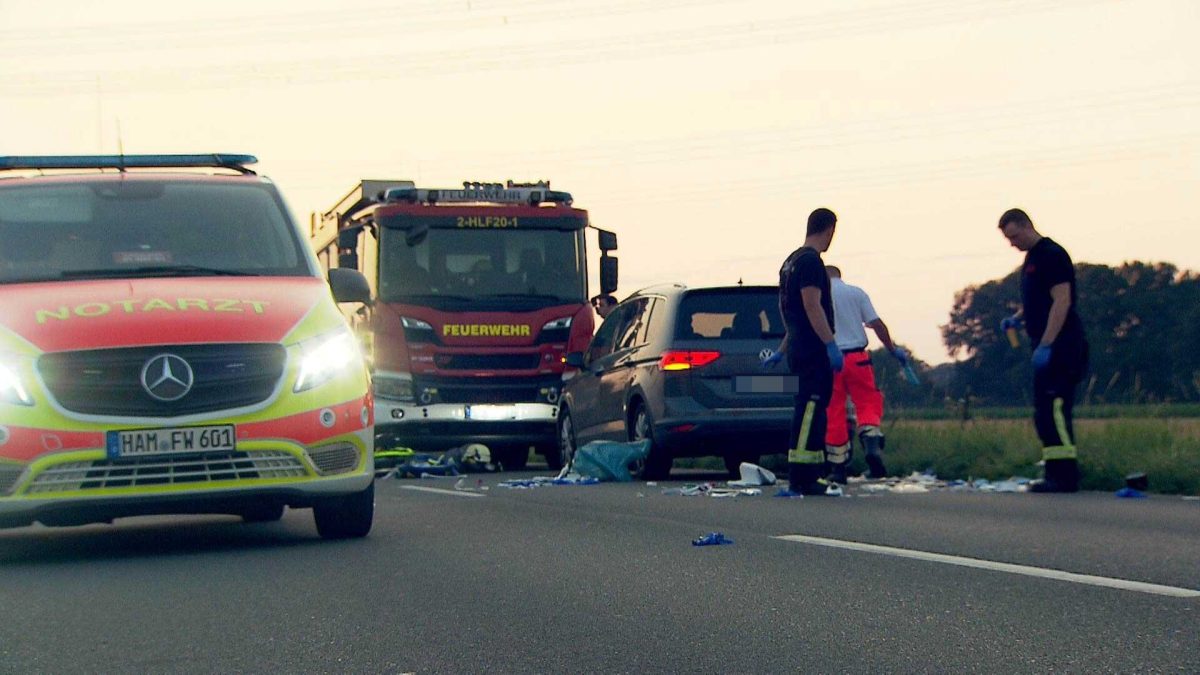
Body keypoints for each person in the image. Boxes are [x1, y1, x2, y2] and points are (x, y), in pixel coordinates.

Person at [998, 208, 1089, 493]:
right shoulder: (1031, 260)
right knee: (1044, 414)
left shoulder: (1052, 255)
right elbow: (1038, 298)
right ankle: (1053, 474)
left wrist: (1048, 343)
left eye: (1013, 236)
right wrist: (1019, 317)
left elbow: (1061, 301)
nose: (1012, 243)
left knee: (1057, 410)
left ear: (1026, 226)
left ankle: (1066, 477)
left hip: (1062, 346)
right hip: (1042, 343)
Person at [764, 207, 843, 496]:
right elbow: (811, 305)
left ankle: (809, 472)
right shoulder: (811, 262)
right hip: (813, 349)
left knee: (807, 408)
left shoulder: (790, 262)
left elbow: (787, 309)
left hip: (799, 344)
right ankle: (804, 475)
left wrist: (783, 347)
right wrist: (830, 343)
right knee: (811, 409)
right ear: (829, 230)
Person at [822, 265, 910, 482]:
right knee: (867, 403)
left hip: (831, 359)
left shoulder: (820, 296)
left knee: (834, 411)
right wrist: (892, 349)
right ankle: (872, 448)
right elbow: (877, 324)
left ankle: (838, 469)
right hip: (858, 359)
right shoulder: (856, 293)